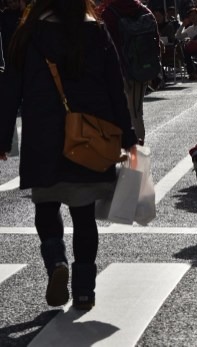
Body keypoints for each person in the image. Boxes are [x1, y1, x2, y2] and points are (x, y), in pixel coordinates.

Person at [0, 0, 137, 310]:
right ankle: (85, 290)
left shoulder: (30, 30)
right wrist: (127, 134)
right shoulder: (94, 28)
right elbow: (116, 84)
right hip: (89, 133)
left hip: (43, 133)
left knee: (46, 205)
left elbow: (10, 87)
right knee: (84, 214)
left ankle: (56, 261)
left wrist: (3, 137)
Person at [101, 0, 158, 144]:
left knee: (120, 112)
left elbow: (106, 46)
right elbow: (156, 42)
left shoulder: (108, 14)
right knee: (136, 112)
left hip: (118, 70)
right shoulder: (144, 11)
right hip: (142, 69)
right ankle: (138, 150)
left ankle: (130, 152)